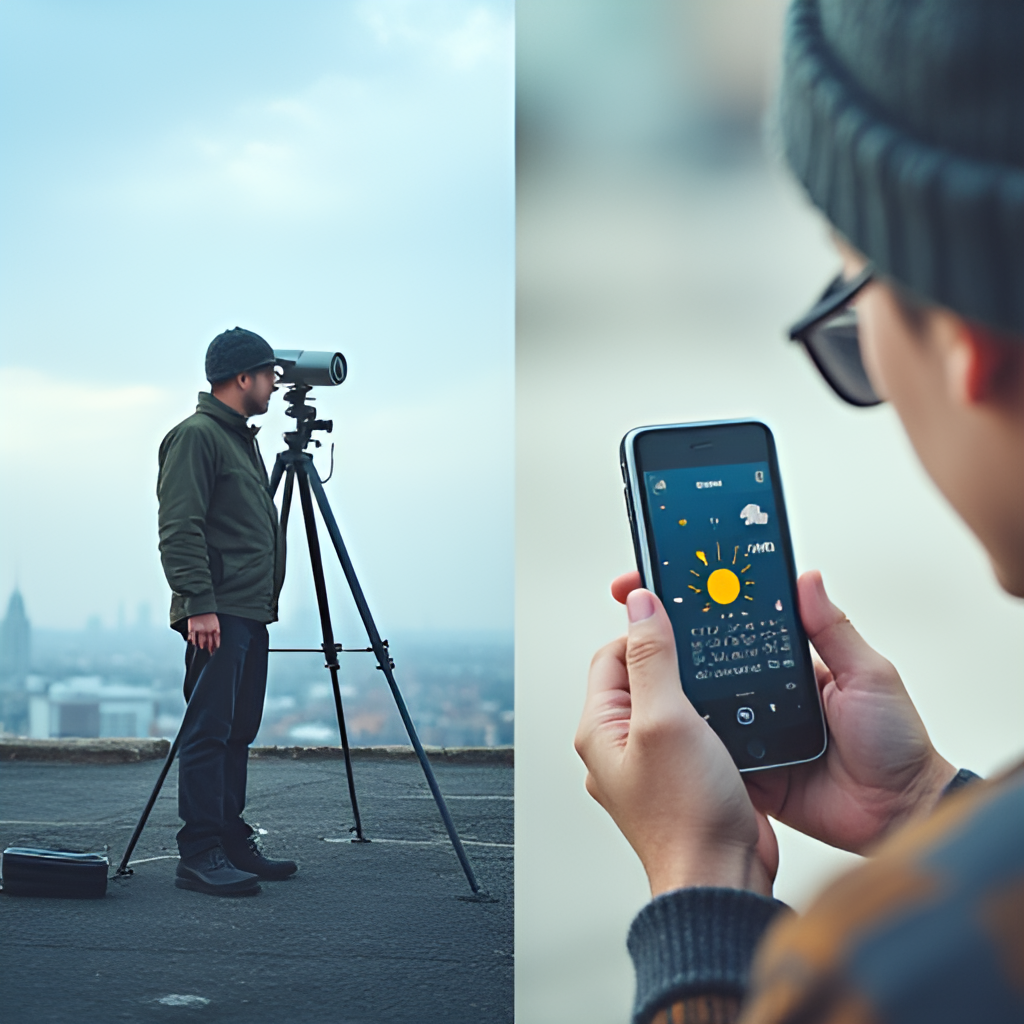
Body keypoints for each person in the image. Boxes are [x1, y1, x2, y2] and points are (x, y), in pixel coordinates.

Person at [574, 1, 1024, 1021]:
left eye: (853, 299)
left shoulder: (895, 965)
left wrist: (700, 878)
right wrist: (929, 810)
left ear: (966, 341)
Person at [158, 327, 297, 896]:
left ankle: (230, 837)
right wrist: (199, 605)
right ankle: (200, 851)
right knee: (208, 730)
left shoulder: (240, 437)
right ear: (243, 378)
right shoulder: (196, 437)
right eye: (267, 375)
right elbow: (179, 527)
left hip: (248, 609)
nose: (273, 385)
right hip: (217, 611)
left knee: (238, 730)